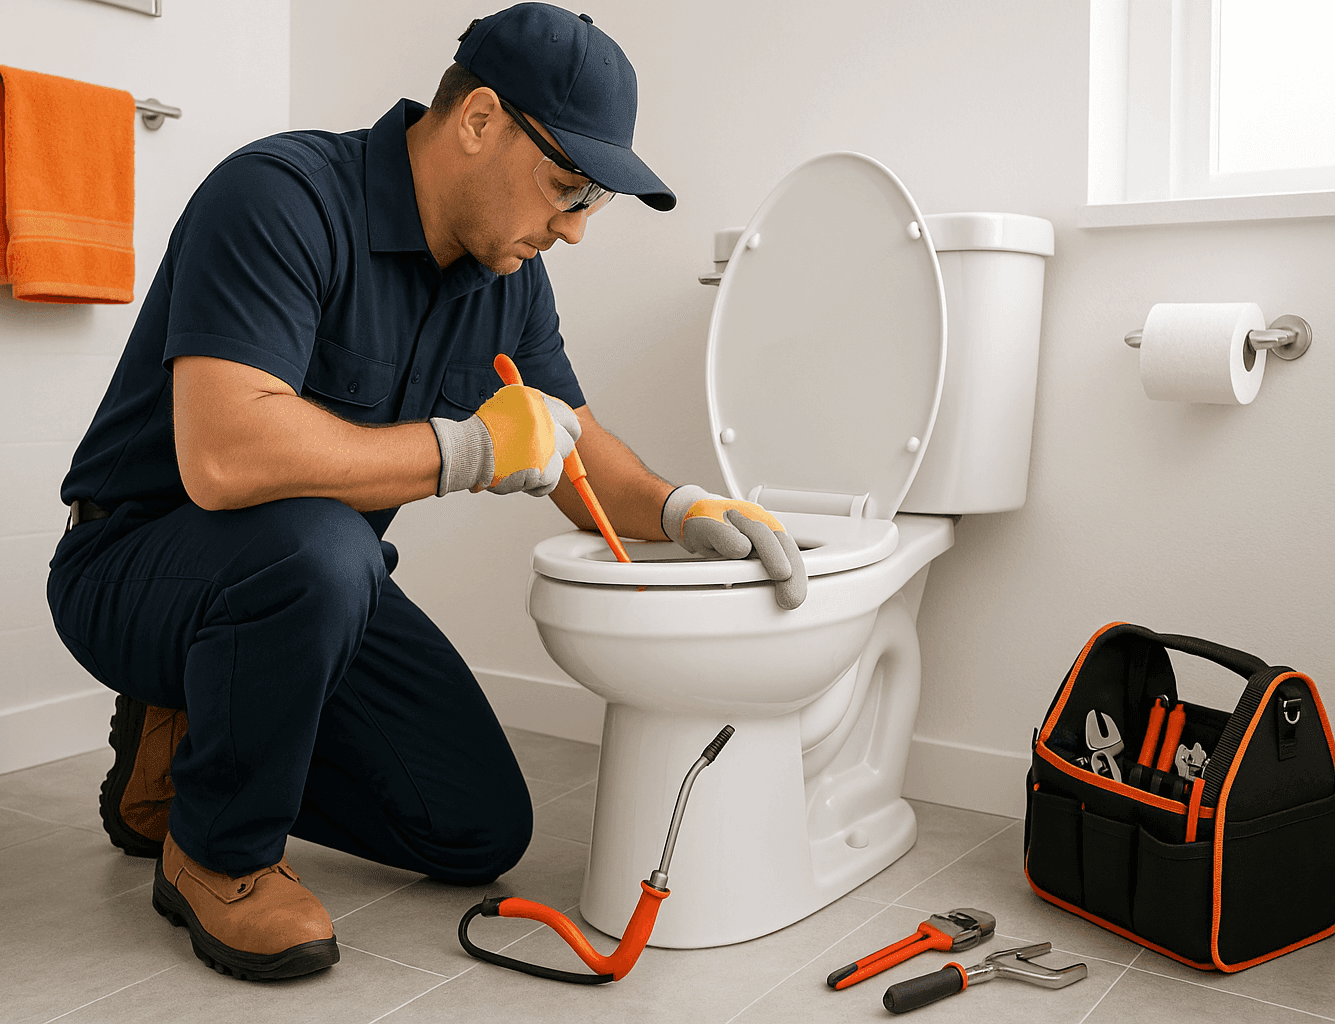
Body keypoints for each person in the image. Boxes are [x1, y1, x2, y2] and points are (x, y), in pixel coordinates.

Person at [47, 2, 806, 982]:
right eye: (567, 187)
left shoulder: (505, 272)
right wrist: (462, 450)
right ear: (479, 119)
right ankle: (219, 854)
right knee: (324, 544)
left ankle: (179, 752)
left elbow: (570, 444)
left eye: (593, 204)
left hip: (311, 589)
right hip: (139, 562)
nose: (575, 229)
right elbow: (224, 456)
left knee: (474, 825)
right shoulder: (279, 197)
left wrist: (684, 508)